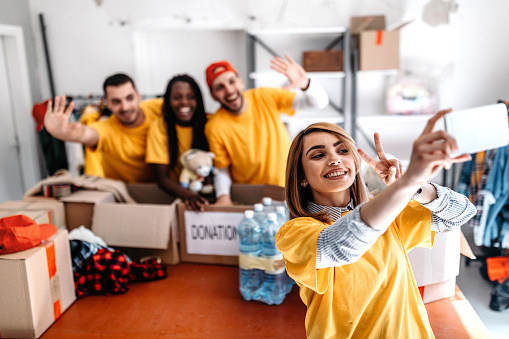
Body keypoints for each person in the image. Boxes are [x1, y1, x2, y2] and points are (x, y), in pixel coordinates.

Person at [275, 111, 476, 338]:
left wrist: (413, 187)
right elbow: (342, 247)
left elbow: (463, 212)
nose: (334, 159)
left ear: (355, 162)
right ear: (301, 176)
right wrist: (405, 185)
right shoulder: (294, 232)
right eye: (318, 155)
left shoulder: (389, 212)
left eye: (343, 151)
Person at [204, 55, 329, 206]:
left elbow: (319, 103)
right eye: (220, 87)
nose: (229, 90)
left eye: (232, 81)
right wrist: (223, 195)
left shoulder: (264, 96)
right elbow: (222, 169)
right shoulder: (215, 126)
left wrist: (306, 84)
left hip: (289, 189)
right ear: (212, 95)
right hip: (251, 199)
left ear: (240, 82)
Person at [44, 73, 163, 183]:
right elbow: (86, 134)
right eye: (116, 101)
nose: (125, 107)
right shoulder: (106, 129)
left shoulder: (158, 108)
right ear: (107, 103)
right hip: (129, 195)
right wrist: (60, 131)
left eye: (129, 98)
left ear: (138, 96)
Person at [146, 74, 210, 211]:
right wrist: (188, 195)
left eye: (191, 97)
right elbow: (161, 177)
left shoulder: (210, 124)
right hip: (177, 196)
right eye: (177, 97)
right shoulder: (159, 127)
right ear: (168, 101)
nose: (184, 102)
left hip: (209, 195)